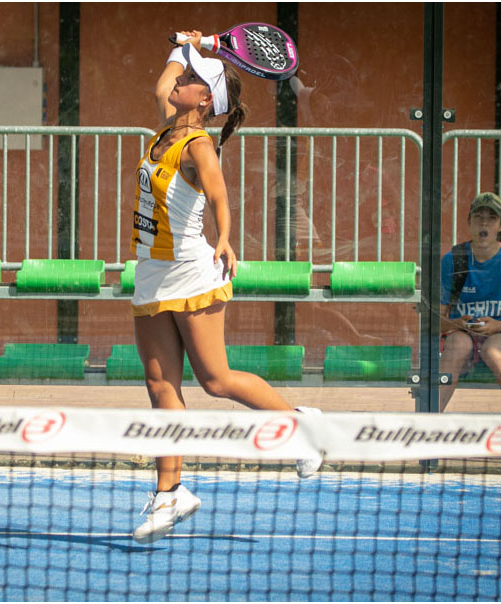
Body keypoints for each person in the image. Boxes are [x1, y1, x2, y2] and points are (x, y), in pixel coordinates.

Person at [129, 31, 323, 545]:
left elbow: (219, 196)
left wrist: (226, 239)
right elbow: (165, 79)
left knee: (214, 379)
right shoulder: (167, 123)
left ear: (204, 99)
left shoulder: (197, 145)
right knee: (160, 386)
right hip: (150, 273)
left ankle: (299, 426)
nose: (181, 81)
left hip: (192, 270)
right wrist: (191, 45)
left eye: (192, 79)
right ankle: (170, 494)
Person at [438, 192, 501, 415]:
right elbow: (434, 320)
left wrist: (499, 326)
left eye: (491, 218)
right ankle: (427, 422)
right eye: (478, 217)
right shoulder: (453, 260)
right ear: (469, 222)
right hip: (461, 335)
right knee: (458, 344)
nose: (484, 223)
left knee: (493, 350)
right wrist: (458, 323)